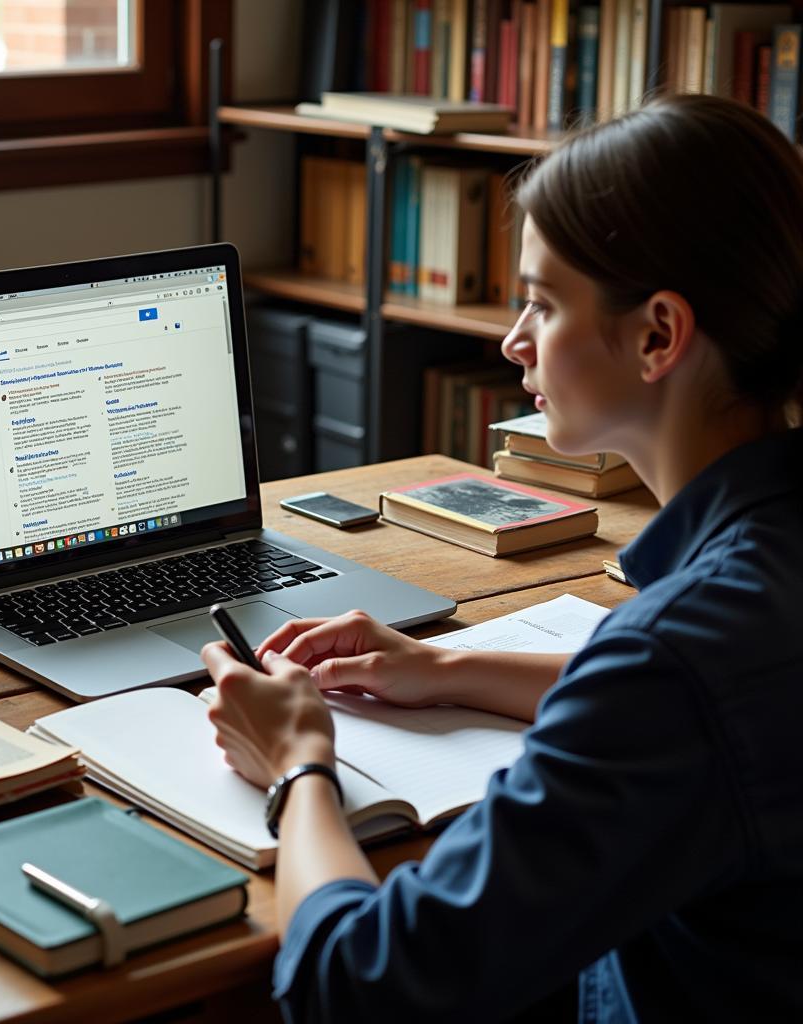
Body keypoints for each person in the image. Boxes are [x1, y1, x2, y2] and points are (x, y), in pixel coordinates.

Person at [200, 93, 803, 1022]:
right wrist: (446, 665)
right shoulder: (753, 588)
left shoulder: (672, 660)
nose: (512, 338)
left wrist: (297, 767)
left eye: (542, 301)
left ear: (658, 335)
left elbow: (359, 987)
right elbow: (731, 702)